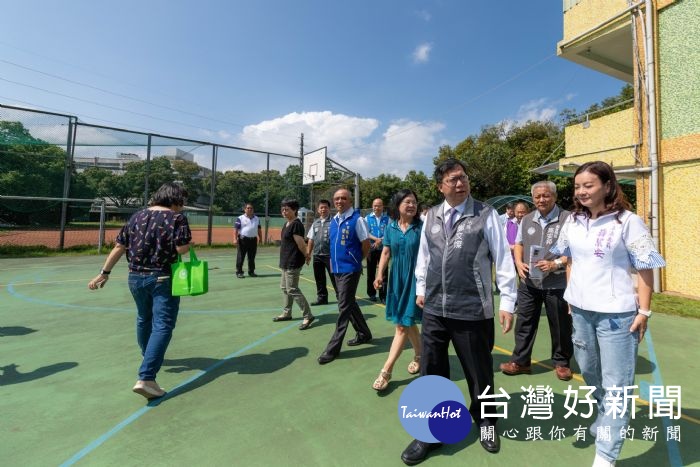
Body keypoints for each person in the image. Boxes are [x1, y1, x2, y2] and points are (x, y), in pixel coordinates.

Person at [401, 159, 517, 464]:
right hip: (436, 308)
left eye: (463, 177)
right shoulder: (431, 216)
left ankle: (487, 422)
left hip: (472, 307)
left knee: (479, 372)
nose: (460, 183)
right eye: (452, 179)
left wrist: (507, 302)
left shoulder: (485, 214)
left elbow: (503, 258)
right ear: (440, 186)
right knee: (432, 371)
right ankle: (431, 431)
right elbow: (424, 257)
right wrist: (421, 289)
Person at [550, 161, 665, 467]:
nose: (582, 191)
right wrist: (572, 295)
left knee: (617, 385)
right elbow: (569, 258)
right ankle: (606, 419)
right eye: (577, 187)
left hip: (617, 316)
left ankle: (606, 455)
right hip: (582, 313)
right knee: (588, 371)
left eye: (589, 185)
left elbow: (645, 266)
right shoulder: (573, 221)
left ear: (607, 186)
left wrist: (644, 311)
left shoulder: (627, 222)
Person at [87, 182, 191, 400]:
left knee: (144, 318)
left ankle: (148, 358)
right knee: (163, 324)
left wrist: (104, 272)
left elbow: (119, 246)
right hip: (162, 277)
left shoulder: (136, 216)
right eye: (182, 201)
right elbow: (182, 248)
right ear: (175, 199)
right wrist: (185, 244)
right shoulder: (177, 218)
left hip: (134, 277)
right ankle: (147, 377)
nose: (183, 206)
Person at [500, 181, 573, 381]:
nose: (541, 199)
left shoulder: (568, 219)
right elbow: (518, 244)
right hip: (529, 282)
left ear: (555, 197)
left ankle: (562, 362)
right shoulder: (527, 218)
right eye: (537, 196)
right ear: (533, 199)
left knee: (560, 325)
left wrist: (555, 264)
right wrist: (518, 262)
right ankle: (521, 361)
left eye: (546, 195)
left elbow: (575, 252)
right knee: (524, 322)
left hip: (557, 282)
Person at [371, 189, 423, 391]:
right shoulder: (391, 227)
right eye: (407, 202)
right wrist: (379, 274)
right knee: (407, 323)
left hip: (415, 280)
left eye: (414, 202)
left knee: (402, 325)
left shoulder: (422, 227)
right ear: (398, 205)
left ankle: (386, 370)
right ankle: (420, 355)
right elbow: (385, 251)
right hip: (397, 280)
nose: (412, 205)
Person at [317, 188, 373, 365]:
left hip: (350, 269)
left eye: (343, 198)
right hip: (337, 268)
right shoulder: (334, 220)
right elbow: (333, 246)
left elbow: (366, 244)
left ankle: (333, 348)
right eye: (337, 199)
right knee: (349, 303)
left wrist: (357, 261)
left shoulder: (358, 220)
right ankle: (364, 333)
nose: (339, 201)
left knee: (343, 306)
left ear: (350, 201)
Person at [273, 198, 315, 330]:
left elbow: (301, 243)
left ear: (294, 210)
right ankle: (287, 313)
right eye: (283, 209)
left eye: (287, 209)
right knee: (285, 288)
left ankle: (308, 315)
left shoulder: (296, 224)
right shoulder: (287, 224)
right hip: (285, 261)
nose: (284, 211)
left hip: (293, 261)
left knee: (292, 289)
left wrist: (307, 255)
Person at [306, 199, 337, 305]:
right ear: (318, 210)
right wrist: (308, 254)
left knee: (335, 277)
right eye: (321, 207)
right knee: (319, 278)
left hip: (330, 256)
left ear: (329, 209)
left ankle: (340, 297)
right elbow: (311, 239)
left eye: (325, 207)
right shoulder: (315, 223)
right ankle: (322, 298)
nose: (323, 209)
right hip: (317, 256)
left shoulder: (334, 222)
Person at [366, 198, 389, 303]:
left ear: (382, 206)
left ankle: (383, 296)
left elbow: (389, 232)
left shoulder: (388, 219)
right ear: (372, 206)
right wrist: (376, 239)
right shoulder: (367, 218)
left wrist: (381, 240)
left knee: (384, 273)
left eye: (379, 205)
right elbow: (366, 232)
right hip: (371, 249)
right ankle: (371, 294)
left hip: (384, 250)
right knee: (371, 272)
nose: (377, 207)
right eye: (375, 205)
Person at [233, 203, 262, 278]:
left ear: (253, 209)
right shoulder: (240, 218)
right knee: (241, 256)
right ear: (245, 209)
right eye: (248, 208)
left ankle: (251, 271)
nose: (249, 209)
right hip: (243, 240)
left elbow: (259, 229)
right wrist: (234, 239)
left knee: (252, 257)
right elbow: (235, 229)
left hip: (253, 240)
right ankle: (239, 272)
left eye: (251, 208)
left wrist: (261, 238)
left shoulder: (257, 218)